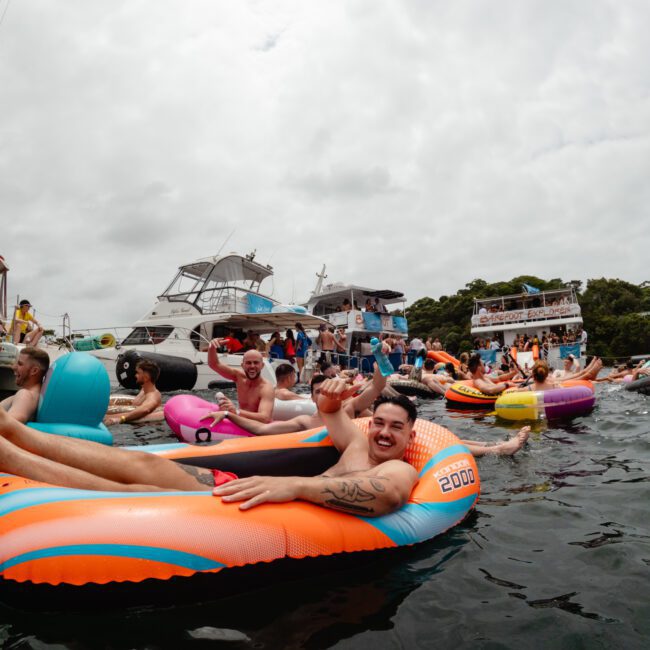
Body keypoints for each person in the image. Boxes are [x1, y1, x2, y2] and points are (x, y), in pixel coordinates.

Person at [207, 343, 274, 423]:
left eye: (256, 363)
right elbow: (214, 364)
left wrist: (236, 411)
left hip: (256, 426)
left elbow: (265, 418)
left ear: (262, 365)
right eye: (248, 363)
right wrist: (212, 346)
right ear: (243, 365)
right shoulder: (239, 376)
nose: (252, 366)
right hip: (240, 421)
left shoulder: (266, 388)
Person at [104, 359, 162, 425]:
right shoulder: (144, 390)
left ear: (146, 377)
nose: (135, 375)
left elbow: (145, 410)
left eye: (138, 373)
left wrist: (121, 419)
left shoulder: (153, 396)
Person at [0, 347, 49, 423]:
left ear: (34, 371)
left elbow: (9, 425)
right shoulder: (34, 394)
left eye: (20, 364)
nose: (13, 367)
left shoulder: (25, 395)